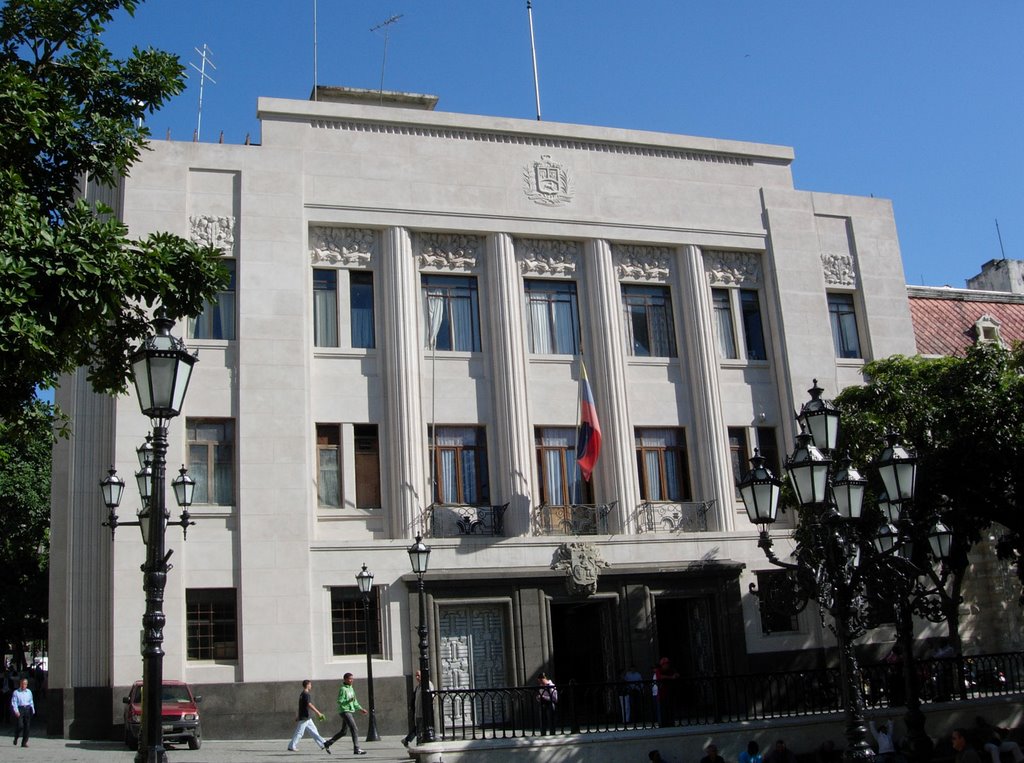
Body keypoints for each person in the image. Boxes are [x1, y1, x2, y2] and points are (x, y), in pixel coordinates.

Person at [323, 673, 368, 755]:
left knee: (343, 732)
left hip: (350, 710)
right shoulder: (343, 689)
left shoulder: (351, 689)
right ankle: (357, 749)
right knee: (354, 729)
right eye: (350, 679)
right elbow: (339, 701)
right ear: (345, 679)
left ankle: (328, 743)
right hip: (345, 711)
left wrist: (361, 709)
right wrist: (348, 701)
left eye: (352, 678)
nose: (352, 680)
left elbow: (355, 702)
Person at [288, 679, 329, 753]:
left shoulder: (302, 694)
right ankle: (292, 746)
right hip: (305, 717)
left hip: (306, 716)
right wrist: (318, 713)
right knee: (300, 732)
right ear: (307, 685)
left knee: (314, 731)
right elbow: (309, 704)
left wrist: (298, 716)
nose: (311, 686)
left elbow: (301, 706)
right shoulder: (306, 694)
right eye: (310, 684)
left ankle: (323, 744)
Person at [402, 669, 434, 747]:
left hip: (424, 713)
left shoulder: (428, 684)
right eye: (416, 675)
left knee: (420, 730)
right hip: (418, 712)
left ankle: (415, 743)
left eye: (418, 675)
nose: (417, 677)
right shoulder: (418, 687)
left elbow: (432, 696)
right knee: (418, 730)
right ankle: (415, 744)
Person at [655, 657, 680, 727]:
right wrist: (671, 677)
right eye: (665, 664)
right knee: (663, 710)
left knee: (670, 709)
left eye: (667, 664)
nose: (667, 665)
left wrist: (675, 675)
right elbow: (660, 677)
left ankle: (671, 723)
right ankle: (663, 724)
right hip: (662, 694)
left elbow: (677, 674)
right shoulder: (658, 670)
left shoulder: (671, 669)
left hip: (670, 693)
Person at [11, 677, 34, 748]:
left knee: (27, 726)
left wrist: (32, 709)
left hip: (27, 709)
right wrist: (16, 711)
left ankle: (24, 742)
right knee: (20, 726)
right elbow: (14, 702)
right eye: (23, 684)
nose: (24, 685)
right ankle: (16, 737)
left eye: (25, 684)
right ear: (20, 684)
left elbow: (31, 701)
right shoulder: (16, 692)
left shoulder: (29, 692)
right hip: (20, 709)